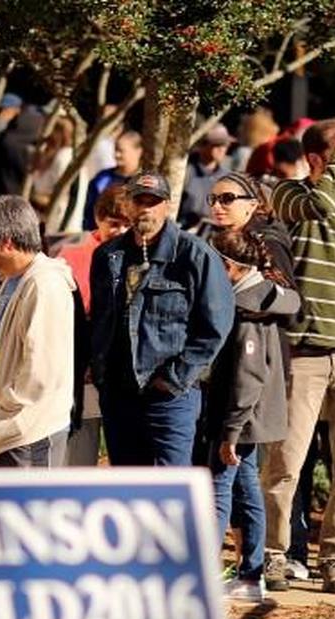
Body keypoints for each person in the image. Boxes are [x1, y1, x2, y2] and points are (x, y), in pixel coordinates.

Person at [90, 171, 234, 466]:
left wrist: (174, 377)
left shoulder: (195, 254)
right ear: (127, 205)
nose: (145, 208)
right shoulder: (107, 255)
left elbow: (216, 326)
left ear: (168, 206)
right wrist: (97, 370)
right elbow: (99, 319)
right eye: (138, 200)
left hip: (170, 396)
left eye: (153, 201)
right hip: (118, 393)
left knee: (171, 486)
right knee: (129, 487)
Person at [264, 119, 335, 593]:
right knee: (286, 462)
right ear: (318, 159)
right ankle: (276, 552)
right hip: (305, 351)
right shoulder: (289, 194)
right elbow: (322, 202)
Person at [205, 229, 299, 602]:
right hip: (245, 418)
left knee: (219, 490)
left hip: (241, 419)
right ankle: (250, 574)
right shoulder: (256, 297)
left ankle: (212, 572)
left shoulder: (247, 308)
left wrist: (230, 431)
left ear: (229, 268)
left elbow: (249, 376)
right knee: (246, 489)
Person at [0, 195, 76, 467]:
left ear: (5, 242)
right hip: (6, 432)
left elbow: (41, 371)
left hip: (29, 434)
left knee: (34, 511)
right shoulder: (14, 279)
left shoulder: (45, 285)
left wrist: (4, 409)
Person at [56, 187, 132, 467]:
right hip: (81, 365)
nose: (120, 230)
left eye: (127, 224)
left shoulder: (137, 254)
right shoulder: (72, 255)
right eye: (114, 223)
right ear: (99, 218)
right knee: (81, 449)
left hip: (120, 370)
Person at [206, 172, 294, 284]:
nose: (216, 206)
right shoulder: (220, 237)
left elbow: (285, 294)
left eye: (227, 198)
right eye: (212, 199)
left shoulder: (269, 243)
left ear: (252, 205)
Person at [83, 130, 143, 230]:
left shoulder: (143, 181)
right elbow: (89, 212)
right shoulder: (102, 178)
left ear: (138, 151)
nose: (116, 154)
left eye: (121, 151)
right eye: (115, 150)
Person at [179, 123, 233, 229]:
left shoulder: (227, 177)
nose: (222, 149)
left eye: (225, 145)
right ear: (202, 145)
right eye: (217, 144)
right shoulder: (185, 172)